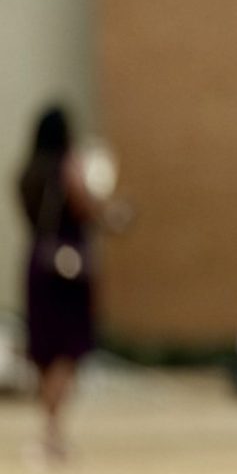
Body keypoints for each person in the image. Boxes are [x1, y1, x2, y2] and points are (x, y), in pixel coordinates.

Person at [17, 105, 104, 464]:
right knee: (66, 351)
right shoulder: (69, 167)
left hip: (37, 263)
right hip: (68, 267)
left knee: (44, 351)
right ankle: (52, 435)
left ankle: (50, 431)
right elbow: (87, 209)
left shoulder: (27, 174)